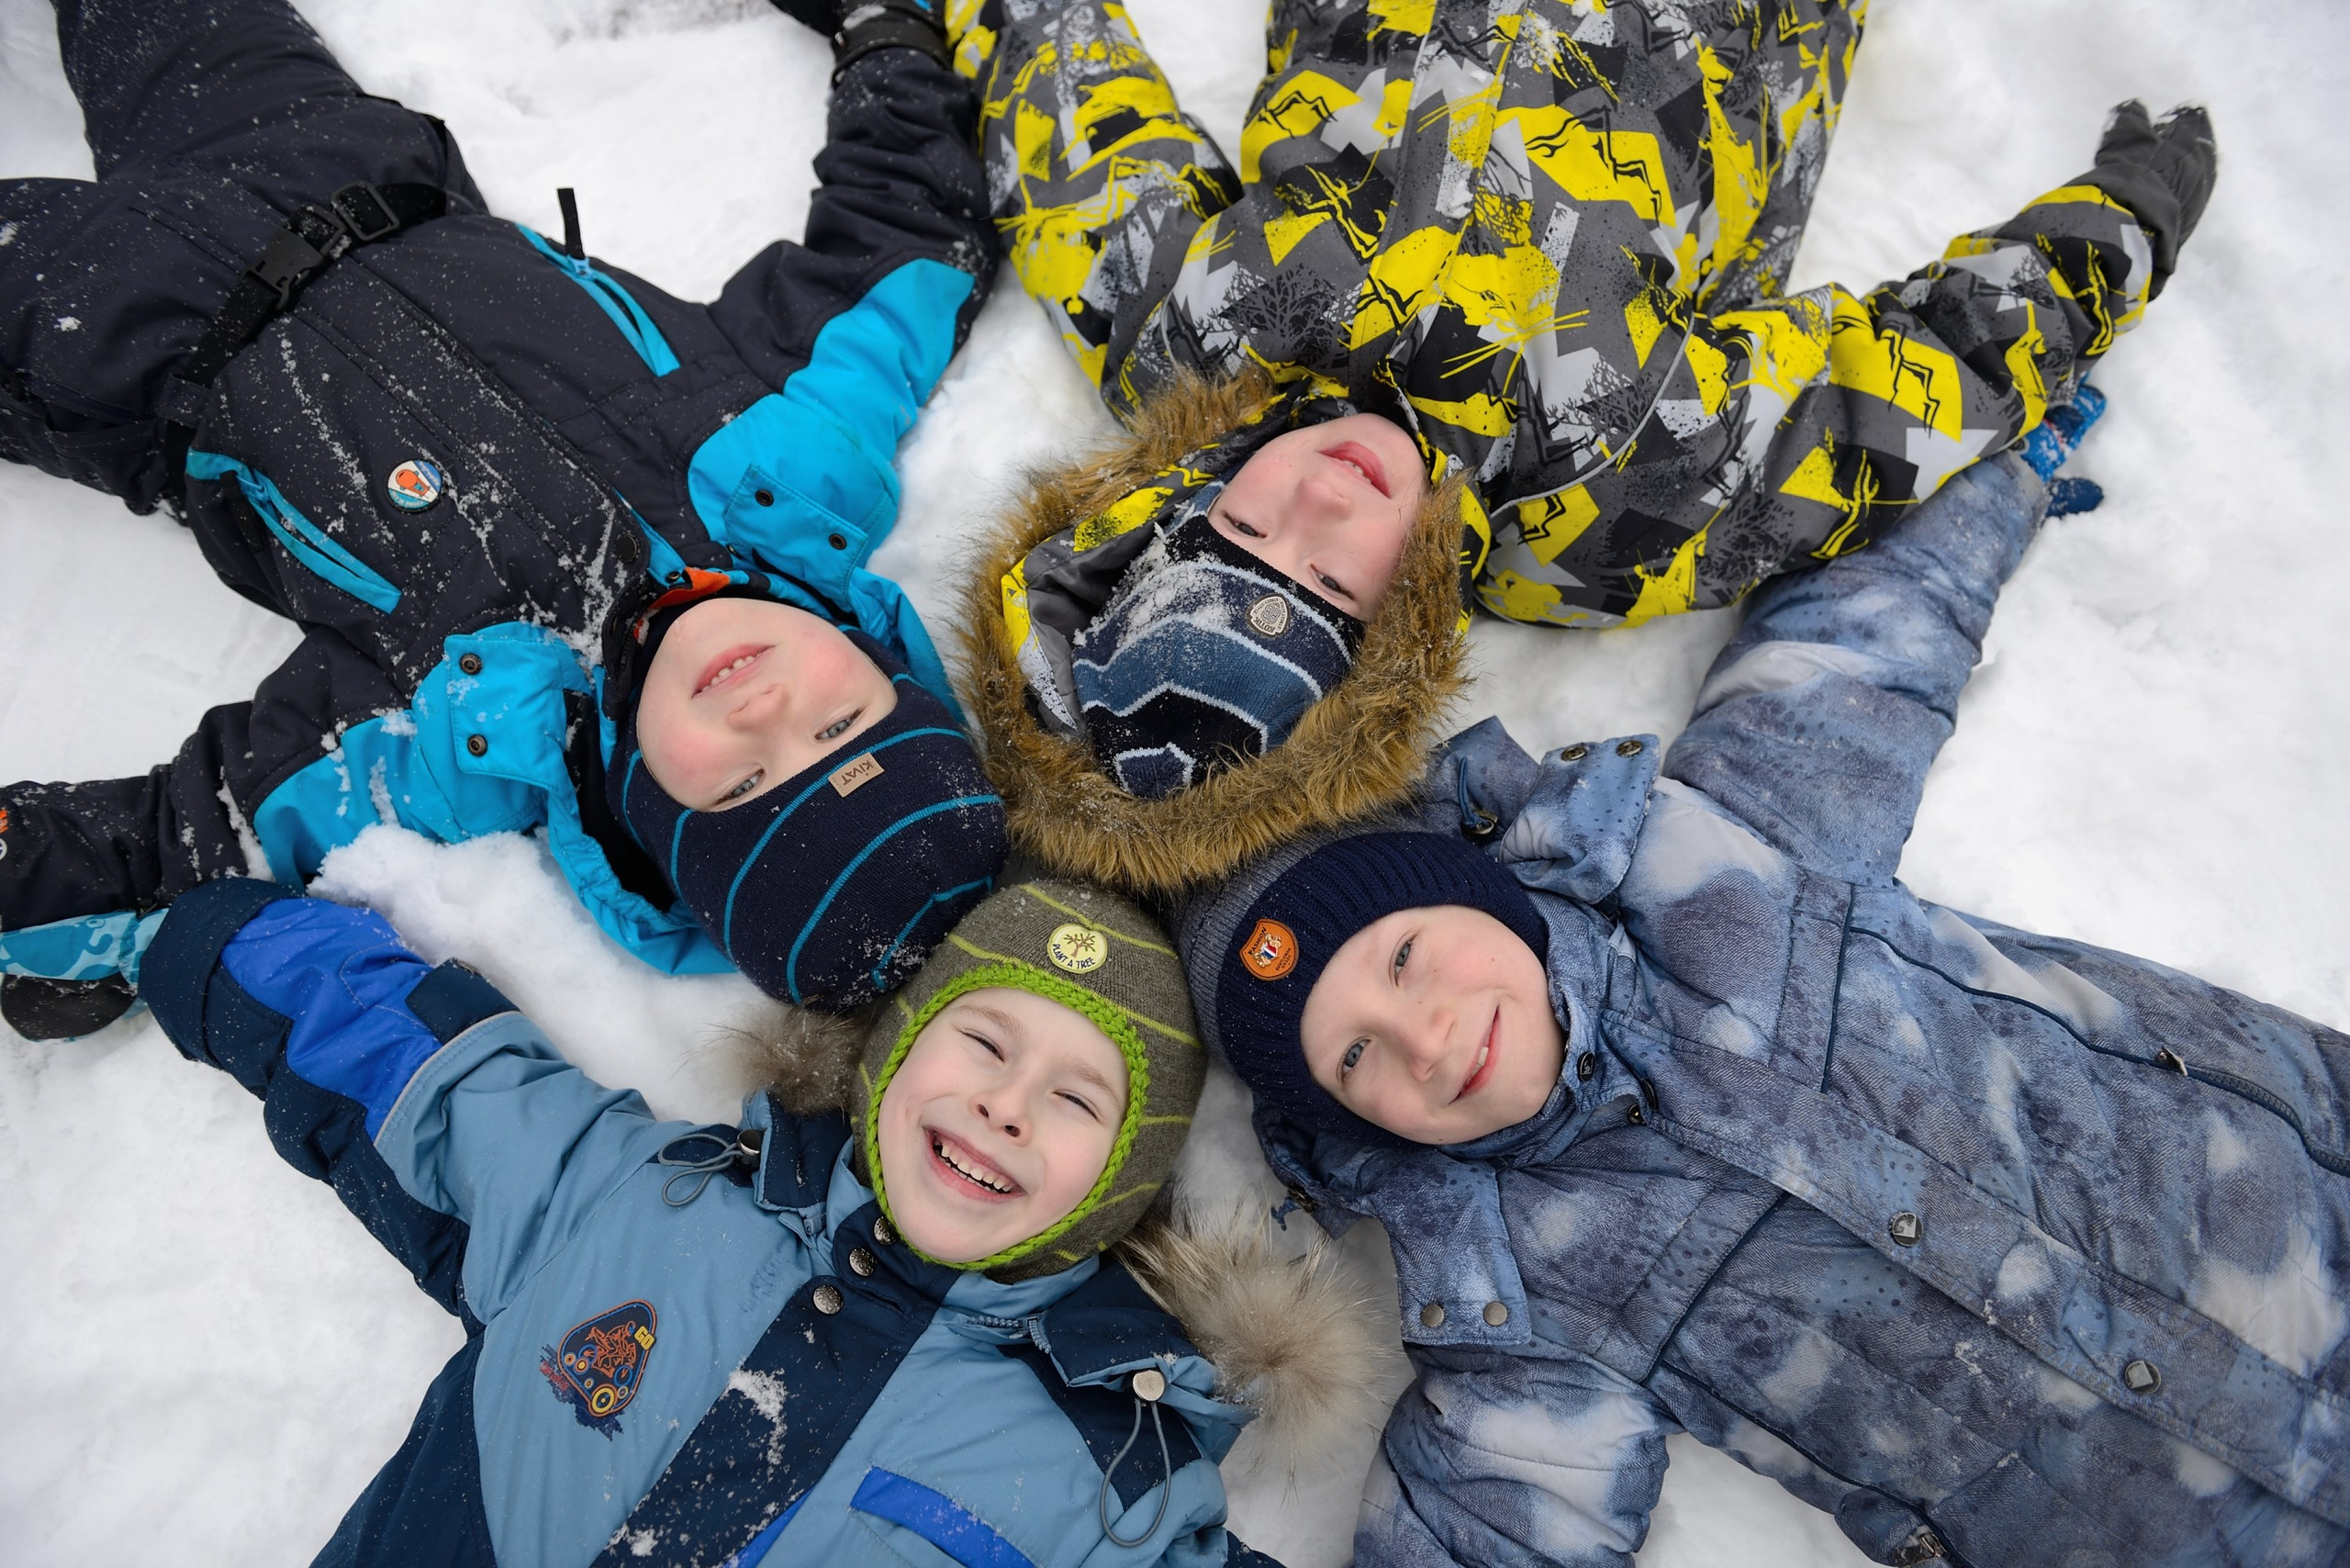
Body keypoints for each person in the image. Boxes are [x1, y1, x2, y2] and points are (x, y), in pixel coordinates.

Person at [1173, 405, 2350, 1565]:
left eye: (1402, 957)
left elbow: (1857, 646)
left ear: (1476, 893)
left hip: (2301, 1185)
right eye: (1353, 1058)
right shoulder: (1507, 1296)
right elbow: (1480, 1526)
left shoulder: (1720, 864)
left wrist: (2001, 469)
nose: (1423, 1039)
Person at [941, 0, 2216, 897]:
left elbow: (1069, 130)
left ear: (1172, 512)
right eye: (1330, 584)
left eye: (1244, 529)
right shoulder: (1610, 502)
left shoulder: (1196, 339)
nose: (1319, 502)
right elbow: (1891, 398)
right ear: (1386, 649)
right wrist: (2117, 233)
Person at [0, 0, 1009, 1041]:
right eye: (839, 727)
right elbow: (909, 244)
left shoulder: (459, 731)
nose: (765, 710)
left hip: (116, 337)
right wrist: (884, 31)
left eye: (744, 784)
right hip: (323, 151)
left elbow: (196, 839)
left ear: (650, 815)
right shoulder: (793, 457)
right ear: (886, 669)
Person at [135, 870, 1306, 1564]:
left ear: (1118, 1189)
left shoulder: (1114, 1489)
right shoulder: (639, 1190)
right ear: (890, 1059)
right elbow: (430, 1078)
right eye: (984, 1041)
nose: (1007, 1105)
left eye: (1077, 1099)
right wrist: (203, 935)